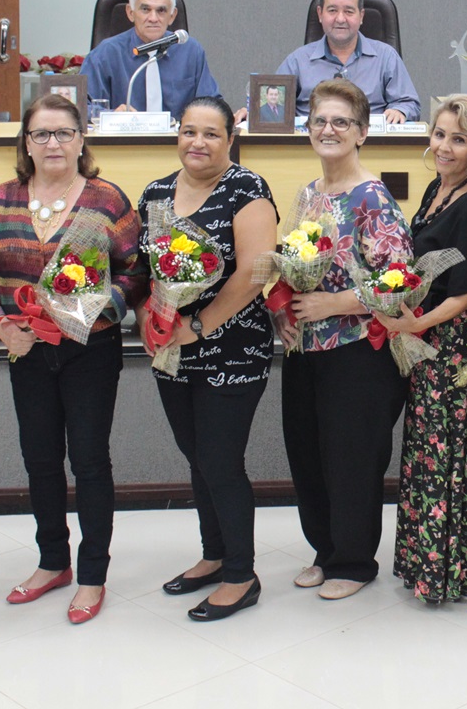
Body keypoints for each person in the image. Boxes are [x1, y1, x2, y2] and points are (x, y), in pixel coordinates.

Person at [0, 94, 147, 625]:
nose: (53, 143)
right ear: (25, 141)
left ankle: (92, 574)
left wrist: (95, 313)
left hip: (90, 350)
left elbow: (136, 273)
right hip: (26, 348)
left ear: (81, 139)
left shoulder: (106, 200)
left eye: (64, 133)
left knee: (89, 460)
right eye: (41, 134)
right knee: (40, 459)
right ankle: (52, 563)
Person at [138, 97, 278, 621]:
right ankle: (214, 554)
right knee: (197, 456)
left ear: (229, 139)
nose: (198, 142)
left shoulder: (247, 189)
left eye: (211, 134)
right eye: (188, 131)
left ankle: (242, 575)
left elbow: (255, 271)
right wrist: (150, 319)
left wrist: (197, 326)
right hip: (171, 349)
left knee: (220, 459)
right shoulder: (155, 193)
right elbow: (144, 270)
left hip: (232, 346)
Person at [278, 78, 412, 599]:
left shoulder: (372, 198)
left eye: (341, 122)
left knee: (350, 459)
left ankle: (354, 563)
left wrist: (331, 304)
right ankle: (326, 550)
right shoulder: (310, 194)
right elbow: (296, 266)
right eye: (319, 121)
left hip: (359, 354)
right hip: (306, 350)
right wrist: (284, 311)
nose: (328, 130)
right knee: (308, 454)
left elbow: (398, 281)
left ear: (362, 132)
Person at [375, 94, 467, 603]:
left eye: (459, 139)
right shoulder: (437, 188)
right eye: (441, 134)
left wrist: (415, 322)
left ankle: (445, 572)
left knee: (443, 456)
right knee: (423, 453)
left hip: (449, 345)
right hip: (423, 338)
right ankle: (417, 563)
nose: (444, 146)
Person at [274, 0, 420, 123]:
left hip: (370, 143)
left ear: (361, 16)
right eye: (332, 11)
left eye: (349, 11)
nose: (340, 19)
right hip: (312, 143)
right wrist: (252, 111)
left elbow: (409, 103)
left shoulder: (386, 57)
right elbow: (272, 104)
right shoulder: (297, 61)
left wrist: (400, 111)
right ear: (320, 14)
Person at [82, 0, 221, 117]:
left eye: (161, 11)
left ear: (172, 16)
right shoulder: (106, 53)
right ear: (131, 13)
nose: (153, 18)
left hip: (177, 138)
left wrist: (240, 115)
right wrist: (112, 115)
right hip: (125, 137)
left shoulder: (190, 51)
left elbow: (212, 105)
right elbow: (80, 108)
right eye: (145, 9)